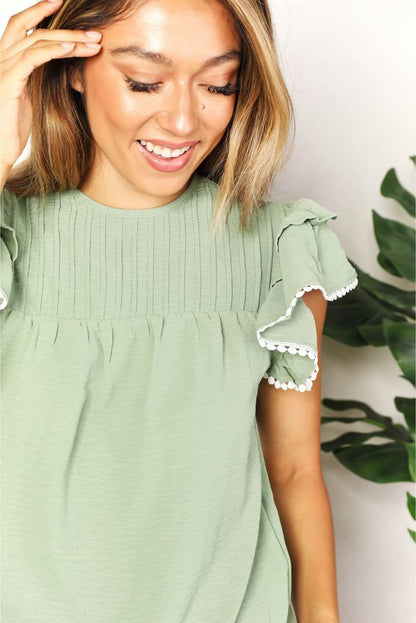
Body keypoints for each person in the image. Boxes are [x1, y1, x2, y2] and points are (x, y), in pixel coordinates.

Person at [0, 0, 358, 621]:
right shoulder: (9, 236)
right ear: (71, 67)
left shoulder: (278, 249)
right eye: (145, 81)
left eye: (219, 84)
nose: (184, 120)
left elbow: (296, 471)